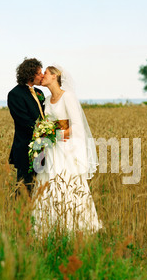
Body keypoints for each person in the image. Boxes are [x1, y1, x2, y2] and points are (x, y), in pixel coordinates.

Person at [32, 65, 103, 235]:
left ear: (55, 76)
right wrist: (45, 134)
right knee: (49, 183)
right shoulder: (47, 99)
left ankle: (75, 226)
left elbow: (77, 124)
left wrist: (57, 135)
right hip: (52, 148)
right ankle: (49, 227)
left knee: (69, 183)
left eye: (46, 73)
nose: (43, 76)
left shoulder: (68, 97)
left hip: (66, 147)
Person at [7, 58, 46, 196]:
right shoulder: (15, 94)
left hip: (43, 147)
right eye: (39, 73)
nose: (42, 76)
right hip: (26, 149)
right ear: (30, 75)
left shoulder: (40, 93)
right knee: (24, 188)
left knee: (39, 186)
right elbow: (24, 122)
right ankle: (18, 215)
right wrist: (48, 132)